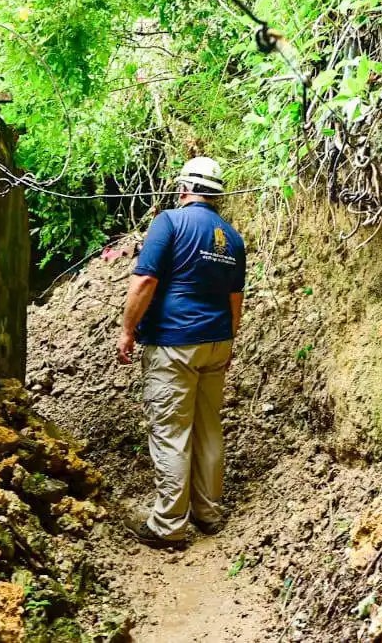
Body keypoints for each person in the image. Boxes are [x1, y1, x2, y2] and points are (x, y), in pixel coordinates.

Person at [117, 157, 246, 548]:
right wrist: (229, 340)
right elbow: (235, 298)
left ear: (184, 188)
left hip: (175, 343)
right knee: (208, 429)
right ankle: (208, 512)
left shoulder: (169, 222)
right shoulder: (233, 237)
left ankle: (169, 525)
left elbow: (145, 280)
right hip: (215, 342)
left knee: (172, 431)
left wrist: (126, 330)